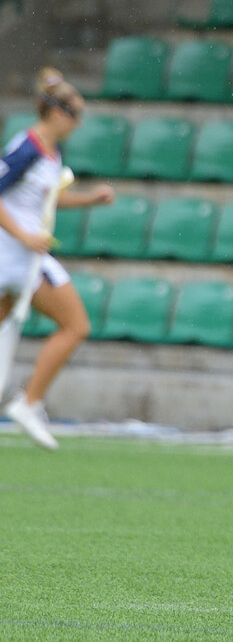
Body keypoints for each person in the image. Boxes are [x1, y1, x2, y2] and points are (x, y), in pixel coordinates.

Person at [0, 69, 115, 450]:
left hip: (26, 255)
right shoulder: (27, 148)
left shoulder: (51, 151)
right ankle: (28, 402)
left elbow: (45, 200)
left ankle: (27, 401)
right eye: (76, 114)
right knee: (75, 325)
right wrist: (24, 236)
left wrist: (89, 200)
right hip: (14, 255)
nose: (79, 123)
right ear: (57, 113)